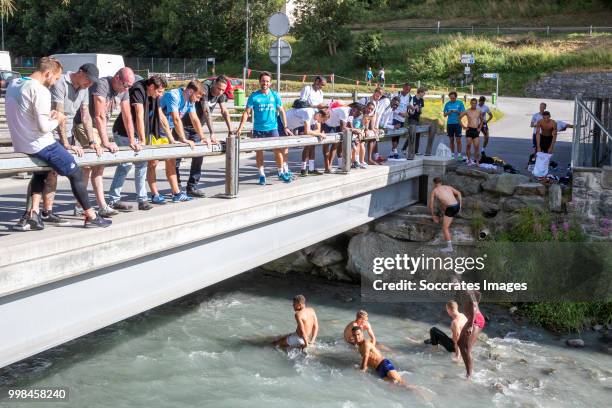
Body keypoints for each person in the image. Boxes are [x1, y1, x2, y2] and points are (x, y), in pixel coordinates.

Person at [6, 57, 111, 229]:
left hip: (21, 142)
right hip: (41, 143)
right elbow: (43, 127)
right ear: (47, 73)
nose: (54, 82)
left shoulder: (15, 83)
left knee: (41, 173)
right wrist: (59, 118)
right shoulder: (40, 90)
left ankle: (33, 214)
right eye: (54, 78)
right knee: (76, 173)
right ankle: (90, 216)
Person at [75, 68, 140, 212]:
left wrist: (132, 140)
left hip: (99, 127)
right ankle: (98, 206)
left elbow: (127, 116)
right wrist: (105, 142)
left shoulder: (124, 89)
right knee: (97, 163)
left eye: (129, 86)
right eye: (125, 85)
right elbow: (98, 116)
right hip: (85, 125)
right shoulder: (103, 84)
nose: (127, 88)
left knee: (92, 167)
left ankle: (82, 205)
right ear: (117, 78)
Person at [50, 63, 108, 218]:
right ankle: (44, 211)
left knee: (71, 172)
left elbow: (86, 116)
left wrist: (92, 142)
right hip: (52, 133)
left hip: (67, 134)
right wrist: (66, 144)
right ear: (80, 72)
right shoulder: (60, 83)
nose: (89, 84)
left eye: (91, 82)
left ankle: (48, 211)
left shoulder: (84, 88)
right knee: (49, 174)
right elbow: (59, 115)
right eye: (88, 80)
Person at [109, 76, 168, 209]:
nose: (161, 95)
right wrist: (142, 139)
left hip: (138, 134)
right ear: (151, 87)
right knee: (126, 165)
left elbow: (160, 115)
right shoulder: (138, 89)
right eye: (159, 91)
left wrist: (171, 137)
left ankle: (142, 200)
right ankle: (114, 199)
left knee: (142, 165)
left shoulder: (154, 95)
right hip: (124, 131)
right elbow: (139, 115)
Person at [235, 71, 292, 185]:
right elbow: (246, 113)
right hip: (258, 130)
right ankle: (261, 175)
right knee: (259, 153)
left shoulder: (275, 95)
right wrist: (240, 128)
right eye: (263, 81)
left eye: (267, 81)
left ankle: (280, 172)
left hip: (272, 128)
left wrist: (285, 127)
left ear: (270, 83)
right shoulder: (254, 96)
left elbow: (281, 111)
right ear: (259, 82)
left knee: (278, 151)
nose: (265, 83)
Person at [177, 76, 226, 197]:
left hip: (196, 129)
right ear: (214, 83)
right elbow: (206, 111)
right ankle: (177, 187)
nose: (220, 92)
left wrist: (230, 130)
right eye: (219, 88)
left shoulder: (221, 95)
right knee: (176, 158)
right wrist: (212, 132)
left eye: (223, 90)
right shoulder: (203, 88)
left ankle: (192, 186)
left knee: (198, 157)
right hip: (182, 127)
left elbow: (224, 111)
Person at [285, 107, 330, 176]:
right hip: (283, 122)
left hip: (290, 126)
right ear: (320, 115)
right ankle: (285, 171)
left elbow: (317, 130)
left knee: (311, 145)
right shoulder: (309, 113)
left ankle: (310, 169)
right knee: (282, 149)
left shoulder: (317, 115)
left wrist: (317, 133)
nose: (323, 122)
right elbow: (307, 131)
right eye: (323, 120)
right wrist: (320, 134)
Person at [429, 176, 462, 252]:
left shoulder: (434, 191)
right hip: (456, 205)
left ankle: (449, 248)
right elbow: (459, 193)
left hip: (451, 209)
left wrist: (433, 216)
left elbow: (431, 205)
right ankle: (444, 216)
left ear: (434, 183)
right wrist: (460, 206)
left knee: (445, 228)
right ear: (441, 182)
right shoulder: (448, 187)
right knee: (442, 205)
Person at [458, 290, 485, 380]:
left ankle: (469, 375)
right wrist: (477, 303)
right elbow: (479, 294)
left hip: (475, 320)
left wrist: (470, 326)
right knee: (460, 343)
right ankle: (468, 371)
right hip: (472, 320)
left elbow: (473, 307)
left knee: (466, 348)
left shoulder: (466, 291)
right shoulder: (465, 290)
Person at [388, 83, 411, 158]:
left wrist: (407, 113)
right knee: (395, 133)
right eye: (406, 89)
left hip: (402, 118)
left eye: (409, 90)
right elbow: (391, 106)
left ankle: (392, 152)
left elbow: (409, 108)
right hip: (394, 117)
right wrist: (399, 113)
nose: (407, 91)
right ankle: (394, 151)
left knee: (398, 135)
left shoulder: (409, 97)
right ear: (403, 88)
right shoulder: (396, 94)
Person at [460, 98, 483, 166]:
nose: (473, 104)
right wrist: (463, 126)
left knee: (476, 146)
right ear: (470, 103)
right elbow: (459, 118)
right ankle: (469, 160)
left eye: (475, 103)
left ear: (476, 104)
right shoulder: (467, 111)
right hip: (469, 130)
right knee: (468, 145)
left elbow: (482, 120)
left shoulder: (479, 111)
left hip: (475, 130)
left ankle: (477, 161)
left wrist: (480, 128)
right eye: (472, 103)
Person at [403, 87, 426, 155]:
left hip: (417, 118)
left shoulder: (422, 100)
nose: (424, 94)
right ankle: (404, 148)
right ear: (420, 92)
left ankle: (416, 151)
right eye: (424, 93)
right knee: (412, 133)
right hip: (411, 118)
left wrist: (419, 110)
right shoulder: (412, 98)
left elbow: (420, 110)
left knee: (418, 134)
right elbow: (408, 108)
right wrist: (413, 108)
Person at [443, 91, 466, 161]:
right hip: (450, 124)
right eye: (451, 98)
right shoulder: (447, 104)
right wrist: (448, 112)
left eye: (453, 98)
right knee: (451, 140)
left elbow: (464, 113)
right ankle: (452, 155)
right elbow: (444, 115)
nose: (452, 99)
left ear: (456, 97)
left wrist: (457, 111)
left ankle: (459, 155)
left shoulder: (460, 103)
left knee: (458, 140)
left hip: (458, 124)